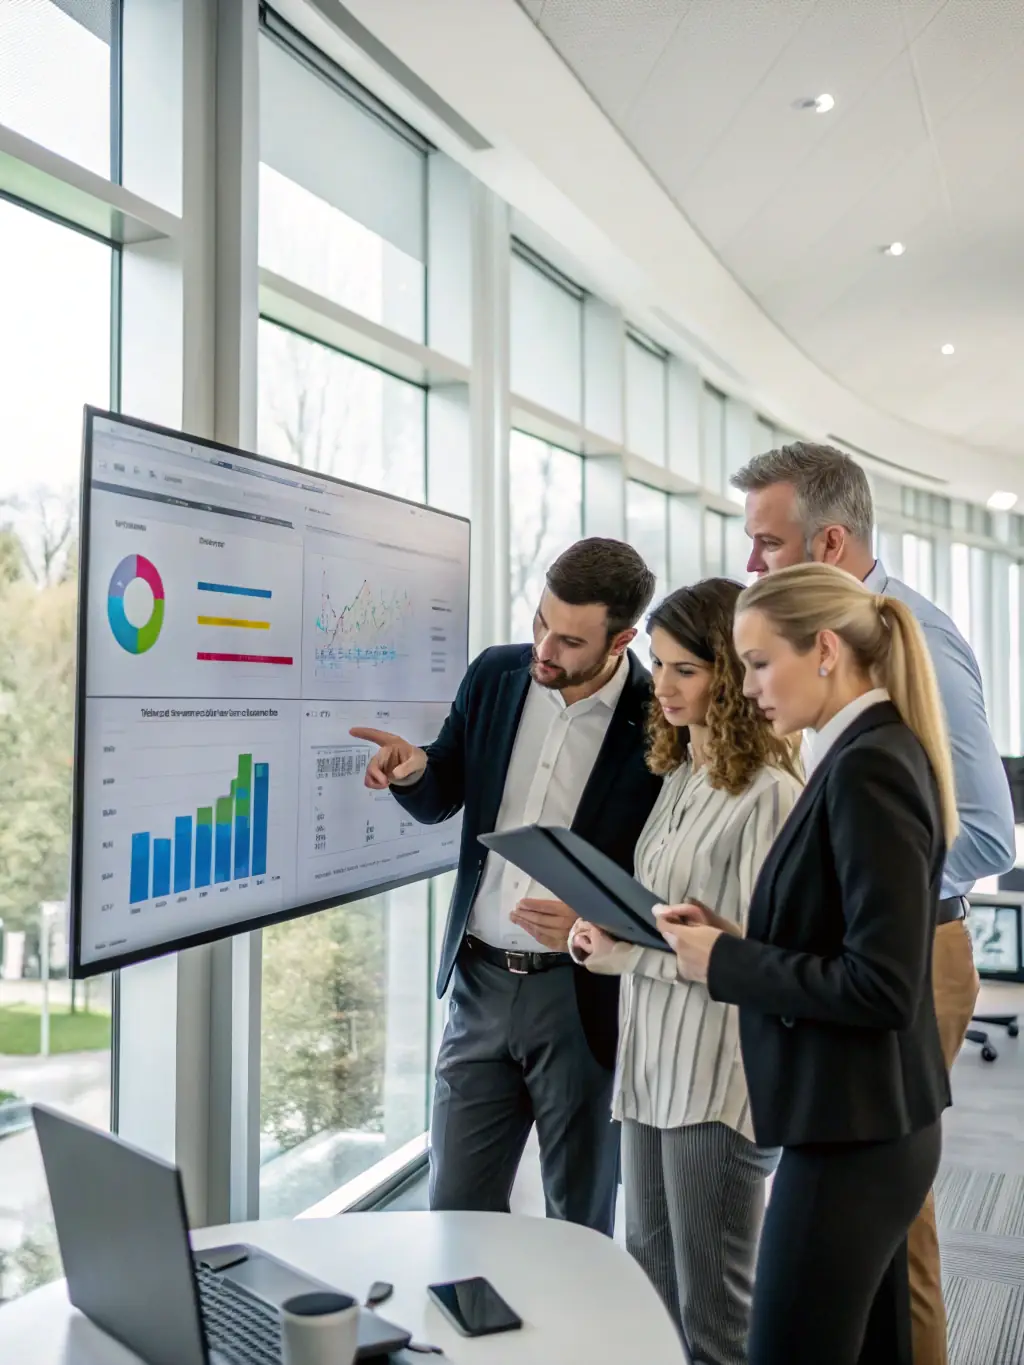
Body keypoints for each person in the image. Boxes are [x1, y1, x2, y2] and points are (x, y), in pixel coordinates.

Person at [731, 442, 1015, 1365]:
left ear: (832, 540)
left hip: (911, 953)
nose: (751, 564)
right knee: (872, 1246)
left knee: (900, 1234)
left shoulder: (913, 638)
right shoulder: (821, 658)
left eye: (767, 544)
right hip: (865, 946)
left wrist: (865, 895)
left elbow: (985, 834)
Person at [661, 563, 955, 1365]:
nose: (747, 685)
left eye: (758, 662)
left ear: (825, 649)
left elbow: (881, 985)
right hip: (868, 1120)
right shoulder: (860, 747)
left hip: (856, 1132)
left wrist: (724, 962)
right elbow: (847, 937)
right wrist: (737, 939)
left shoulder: (869, 764)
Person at [350, 539, 662, 1235]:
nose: (545, 647)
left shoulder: (657, 716)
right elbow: (445, 787)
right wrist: (411, 771)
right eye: (541, 623)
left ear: (623, 639)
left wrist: (595, 915)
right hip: (480, 983)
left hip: (582, 997)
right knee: (456, 1212)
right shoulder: (495, 674)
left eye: (571, 639)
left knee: (578, 1222)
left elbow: (666, 874)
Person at [565, 580, 801, 1365]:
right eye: (658, 664)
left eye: (686, 670)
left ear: (730, 674)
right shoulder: (679, 774)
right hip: (652, 1066)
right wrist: (605, 929)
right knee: (652, 1291)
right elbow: (665, 917)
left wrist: (624, 953)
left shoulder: (769, 794)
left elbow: (749, 960)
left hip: (717, 1079)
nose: (661, 685)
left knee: (716, 1321)